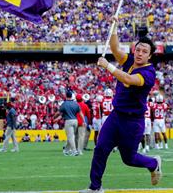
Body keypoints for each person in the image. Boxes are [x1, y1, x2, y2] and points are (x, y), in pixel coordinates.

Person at [79, 19, 162, 193]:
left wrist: (108, 66)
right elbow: (115, 48)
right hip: (116, 116)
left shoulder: (148, 72)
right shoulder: (130, 60)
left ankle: (153, 163)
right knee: (100, 149)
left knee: (129, 158)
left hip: (132, 121)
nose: (139, 53)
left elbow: (128, 79)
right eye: (138, 49)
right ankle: (95, 187)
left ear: (150, 55)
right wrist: (114, 27)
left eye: (144, 51)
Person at [57, 89, 82, 156]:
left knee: (70, 136)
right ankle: (66, 150)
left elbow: (59, 112)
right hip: (75, 121)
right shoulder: (75, 103)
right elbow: (80, 113)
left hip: (68, 121)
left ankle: (74, 151)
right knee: (70, 136)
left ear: (66, 96)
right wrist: (84, 121)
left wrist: (55, 117)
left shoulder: (64, 104)